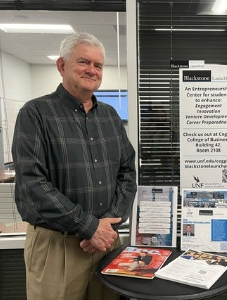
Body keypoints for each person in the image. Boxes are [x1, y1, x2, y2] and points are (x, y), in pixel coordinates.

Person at [12, 32, 137, 300]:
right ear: (62, 66)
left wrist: (108, 225)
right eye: (84, 62)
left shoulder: (110, 116)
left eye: (98, 65)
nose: (92, 70)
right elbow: (32, 183)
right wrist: (89, 226)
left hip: (106, 243)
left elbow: (127, 173)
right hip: (58, 248)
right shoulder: (35, 113)